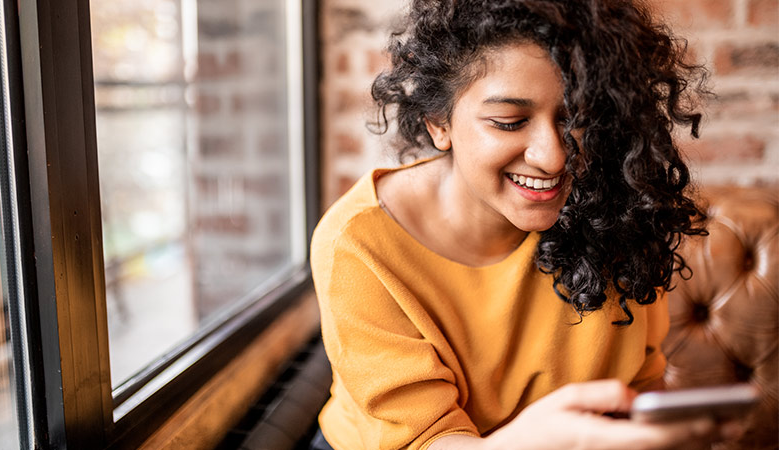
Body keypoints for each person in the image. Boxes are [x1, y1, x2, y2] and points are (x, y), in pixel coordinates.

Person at [310, 1, 732, 448]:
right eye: (509, 122)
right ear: (439, 122)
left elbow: (639, 387)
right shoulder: (358, 246)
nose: (552, 157)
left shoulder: (616, 212)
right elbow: (425, 440)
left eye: (576, 119)